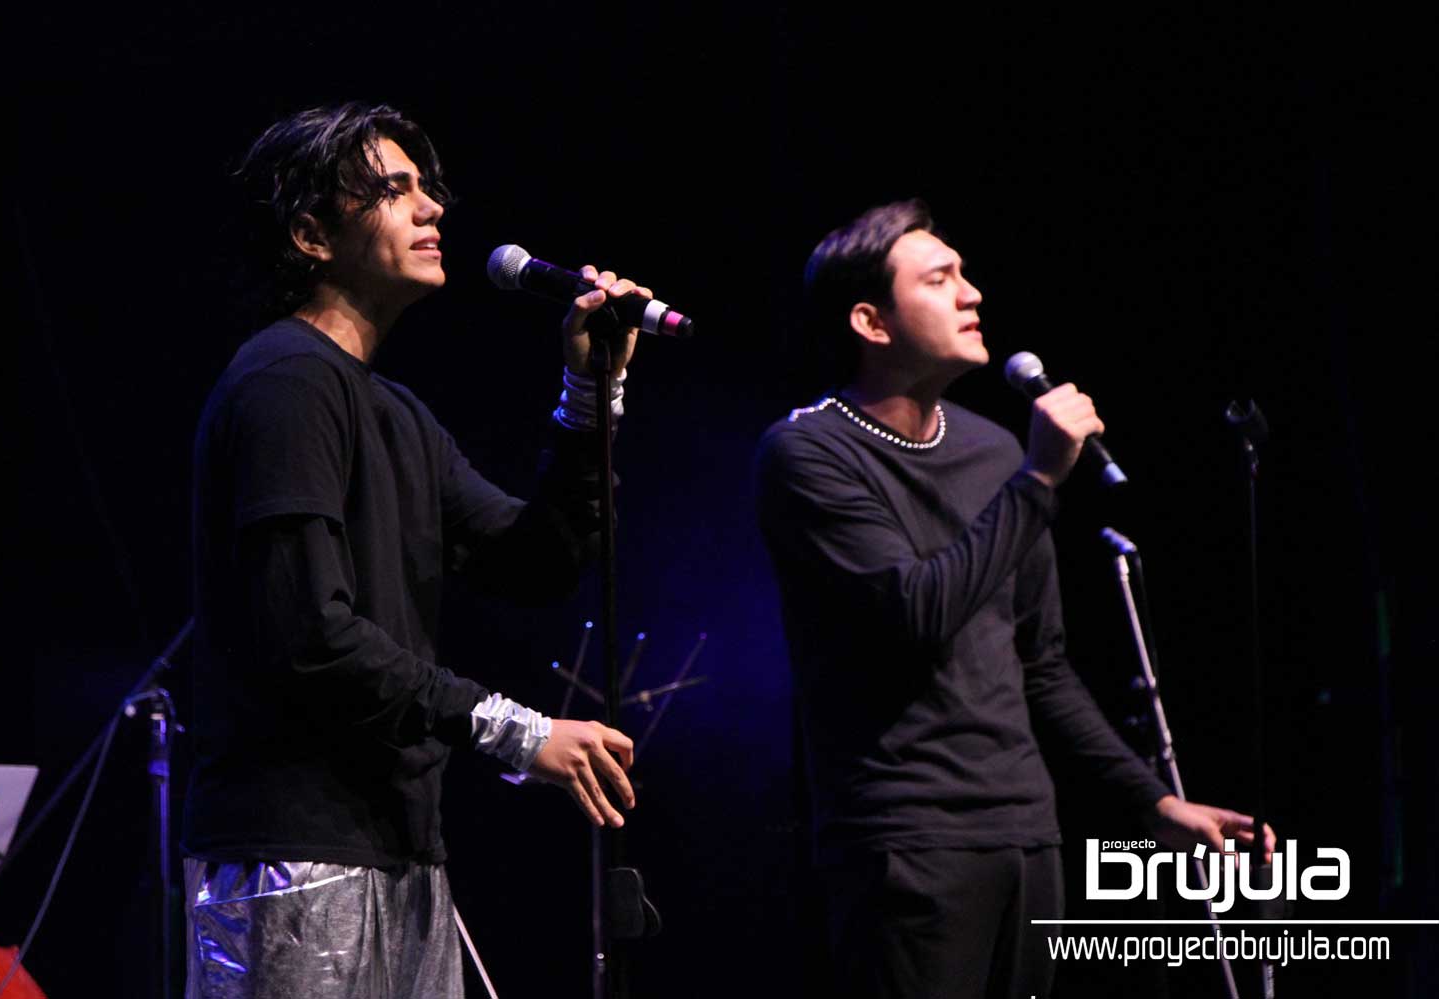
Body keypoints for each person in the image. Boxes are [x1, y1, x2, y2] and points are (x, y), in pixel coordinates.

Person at [754, 199, 1272, 999]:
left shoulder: (993, 451)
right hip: (907, 843)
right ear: (871, 321)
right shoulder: (808, 451)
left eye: (964, 274)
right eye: (940, 279)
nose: (972, 294)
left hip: (1029, 837)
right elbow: (916, 613)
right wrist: (1037, 481)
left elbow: (1043, 666)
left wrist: (1153, 802)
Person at [184, 102, 644, 999]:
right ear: (312, 235)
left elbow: (535, 562)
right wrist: (518, 731)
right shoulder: (285, 381)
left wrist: (592, 395)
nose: (432, 206)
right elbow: (311, 632)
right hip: (296, 852)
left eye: (426, 186)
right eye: (395, 190)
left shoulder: (395, 412)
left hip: (399, 846)